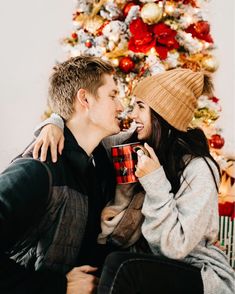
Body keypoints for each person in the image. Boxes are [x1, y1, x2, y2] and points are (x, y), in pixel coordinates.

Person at [31, 68, 235, 294]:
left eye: (140, 106)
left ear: (163, 114)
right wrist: (54, 123)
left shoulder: (199, 169)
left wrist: (155, 182)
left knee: (121, 265)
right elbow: (85, 131)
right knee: (91, 263)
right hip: (147, 266)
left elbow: (173, 247)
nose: (132, 114)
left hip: (197, 274)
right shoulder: (128, 146)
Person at [0, 55, 125, 294]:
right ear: (85, 98)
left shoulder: (96, 170)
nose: (121, 106)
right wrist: (57, 286)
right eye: (112, 95)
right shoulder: (37, 172)